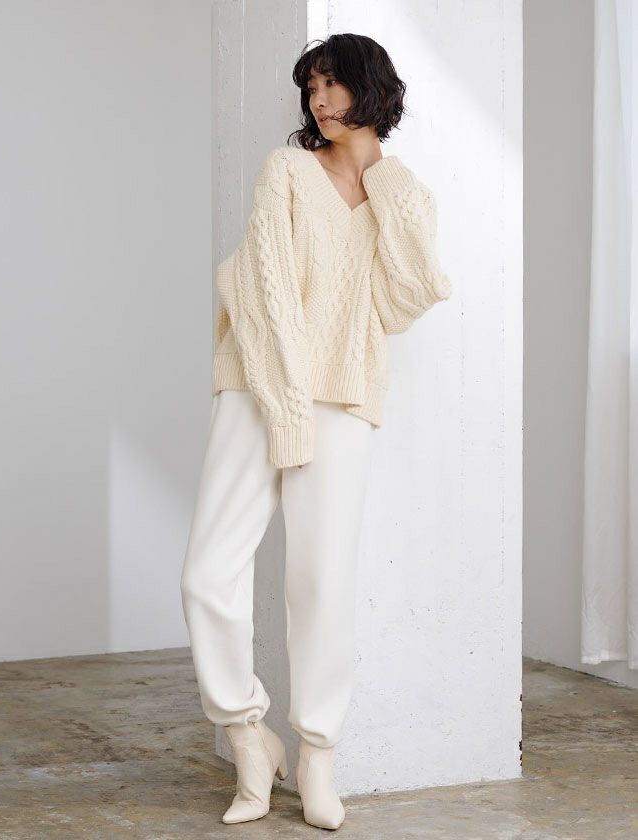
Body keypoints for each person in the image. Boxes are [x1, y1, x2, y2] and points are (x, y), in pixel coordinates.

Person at [180, 32, 452, 830]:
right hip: (258, 388)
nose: (319, 101)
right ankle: (247, 737)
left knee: (322, 582)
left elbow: (404, 302)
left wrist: (385, 183)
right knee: (207, 574)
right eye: (311, 87)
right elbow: (263, 295)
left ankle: (318, 756)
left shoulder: (403, 193)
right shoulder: (287, 171)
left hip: (345, 400)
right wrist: (288, 408)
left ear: (373, 90)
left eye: (333, 84)